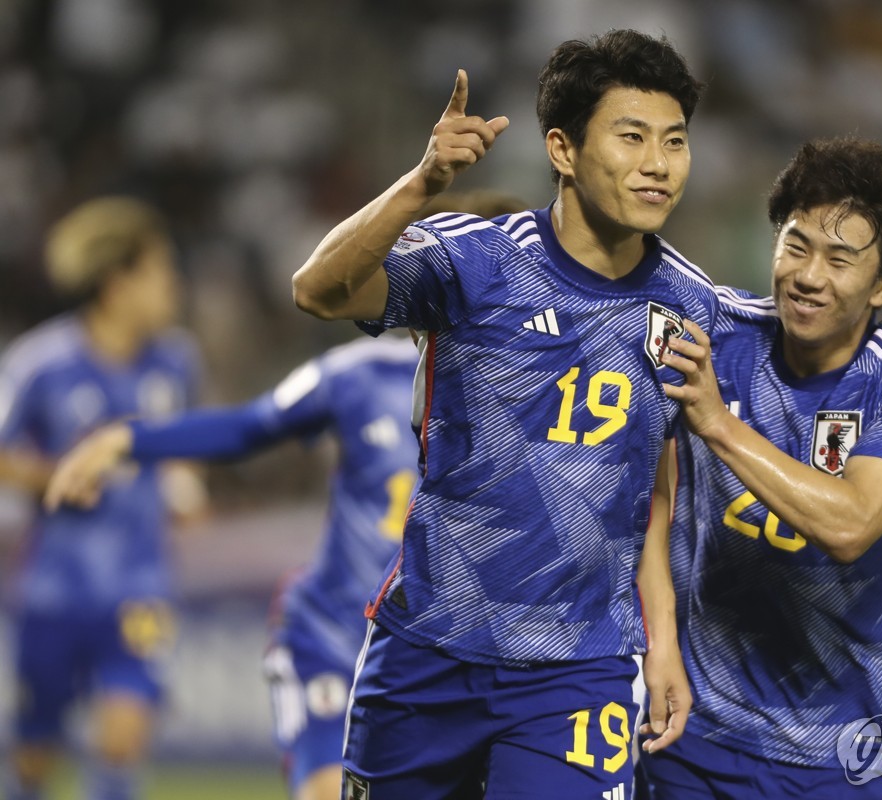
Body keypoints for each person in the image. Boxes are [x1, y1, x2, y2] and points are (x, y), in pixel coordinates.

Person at [290, 29, 713, 799]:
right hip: (427, 649)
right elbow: (317, 290)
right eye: (632, 137)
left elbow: (655, 493)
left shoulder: (694, 309)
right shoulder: (473, 261)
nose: (658, 163)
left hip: (577, 671)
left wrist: (663, 644)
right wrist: (422, 182)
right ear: (562, 149)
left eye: (675, 141)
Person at [42, 190, 527, 800]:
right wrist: (127, 441)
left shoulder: (542, 406)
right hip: (334, 637)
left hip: (448, 653)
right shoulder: (355, 377)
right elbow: (250, 427)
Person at [638, 137, 882, 799]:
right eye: (796, 245)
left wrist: (718, 424)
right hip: (690, 731)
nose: (808, 275)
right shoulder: (715, 333)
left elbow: (849, 525)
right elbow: (651, 500)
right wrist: (660, 645)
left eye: (840, 259)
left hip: (832, 754)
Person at [0, 196, 204, 800]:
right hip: (54, 588)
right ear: (118, 282)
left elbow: (180, 455)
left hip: (142, 583)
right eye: (161, 271)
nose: (175, 286)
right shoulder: (41, 363)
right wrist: (59, 476)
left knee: (122, 736)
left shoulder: (176, 363)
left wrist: (186, 485)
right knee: (35, 752)